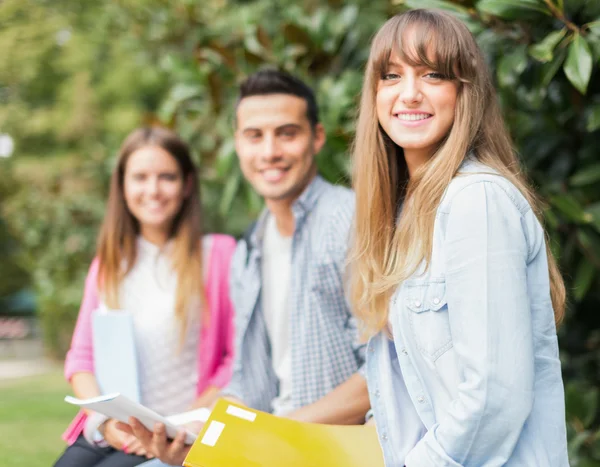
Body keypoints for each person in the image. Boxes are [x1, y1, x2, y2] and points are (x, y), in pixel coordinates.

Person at [348, 8, 569, 466]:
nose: (409, 94)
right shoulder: (404, 215)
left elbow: (495, 396)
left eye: (433, 74)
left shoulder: (477, 201)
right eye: (391, 76)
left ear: (463, 93)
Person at [128, 69, 370, 467]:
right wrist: (193, 431)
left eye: (287, 133)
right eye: (255, 136)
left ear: (317, 137)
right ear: (238, 144)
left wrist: (276, 433)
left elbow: (382, 373)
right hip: (266, 444)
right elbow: (247, 382)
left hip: (331, 449)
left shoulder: (351, 222)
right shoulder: (249, 250)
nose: (270, 151)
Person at [53, 127, 236, 467]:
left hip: (175, 431)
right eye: (140, 177)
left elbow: (235, 359)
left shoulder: (219, 256)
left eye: (166, 177)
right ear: (122, 186)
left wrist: (178, 423)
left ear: (187, 185)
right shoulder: (108, 265)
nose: (153, 190)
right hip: (112, 427)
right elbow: (81, 357)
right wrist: (105, 422)